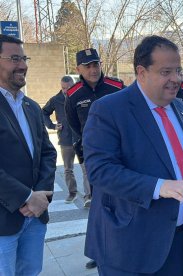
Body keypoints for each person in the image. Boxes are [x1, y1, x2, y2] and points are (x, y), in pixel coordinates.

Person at [82, 35, 183, 275]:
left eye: (178, 71)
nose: (175, 79)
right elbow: (100, 170)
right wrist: (159, 186)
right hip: (131, 246)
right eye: (166, 72)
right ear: (141, 71)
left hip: (181, 236)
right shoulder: (109, 109)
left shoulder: (181, 107)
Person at [0, 34, 57, 275]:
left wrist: (39, 198)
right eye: (14, 58)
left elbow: (47, 153)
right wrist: (25, 197)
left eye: (24, 58)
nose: (22, 65)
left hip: (34, 219)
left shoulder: (31, 107)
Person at [64, 48, 124, 269]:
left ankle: (124, 247)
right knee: (100, 208)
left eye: (96, 64)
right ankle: (100, 252)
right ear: (78, 69)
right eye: (88, 66)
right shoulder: (73, 95)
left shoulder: (116, 87)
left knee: (124, 203)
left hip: (121, 158)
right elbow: (74, 126)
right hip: (95, 161)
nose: (93, 69)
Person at [43, 76, 83, 203]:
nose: (66, 90)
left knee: (86, 168)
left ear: (74, 85)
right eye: (63, 88)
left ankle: (89, 196)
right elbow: (43, 112)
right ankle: (72, 193)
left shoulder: (80, 96)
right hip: (65, 139)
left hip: (81, 138)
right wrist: (52, 126)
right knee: (68, 169)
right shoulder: (56, 100)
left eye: (68, 87)